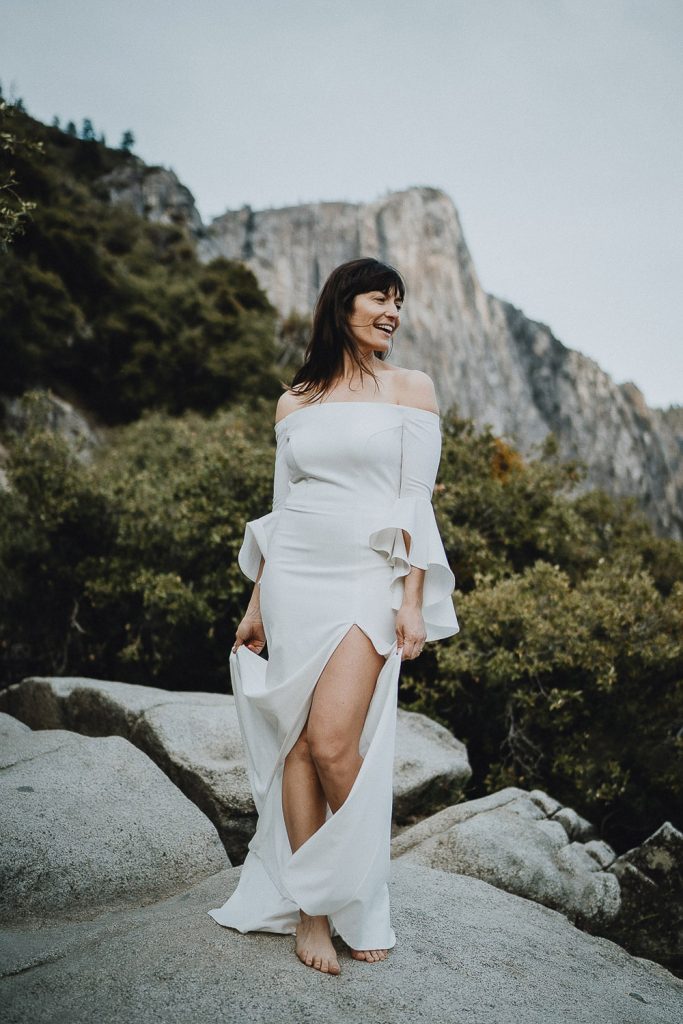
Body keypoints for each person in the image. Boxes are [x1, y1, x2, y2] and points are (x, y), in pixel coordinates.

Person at [208, 257, 459, 975]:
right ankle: (311, 914)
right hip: (294, 577)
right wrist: (256, 603)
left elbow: (416, 504)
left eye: (398, 301)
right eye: (380, 297)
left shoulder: (411, 389)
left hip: (365, 577)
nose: (392, 312)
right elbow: (281, 510)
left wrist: (411, 600)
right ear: (342, 304)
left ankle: (360, 896)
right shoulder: (294, 402)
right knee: (297, 743)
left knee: (331, 744)